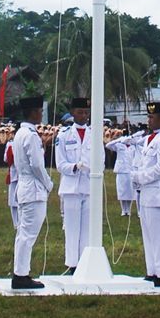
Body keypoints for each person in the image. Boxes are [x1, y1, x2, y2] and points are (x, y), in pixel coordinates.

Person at [11, 94, 53, 291]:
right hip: (33, 187)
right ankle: (21, 275)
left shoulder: (21, 133)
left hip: (24, 185)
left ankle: (21, 272)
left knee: (23, 233)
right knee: (28, 234)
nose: (41, 115)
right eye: (39, 111)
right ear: (34, 113)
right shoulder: (31, 135)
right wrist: (48, 183)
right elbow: (37, 165)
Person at [131, 99, 160, 287]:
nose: (149, 120)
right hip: (146, 194)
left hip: (157, 193)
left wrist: (141, 177)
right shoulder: (149, 139)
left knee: (159, 236)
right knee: (148, 234)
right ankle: (152, 271)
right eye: (148, 117)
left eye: (152, 117)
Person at [54, 97, 91, 274]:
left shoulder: (94, 134)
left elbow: (101, 160)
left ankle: (84, 263)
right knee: (72, 228)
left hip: (89, 186)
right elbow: (60, 164)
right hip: (71, 186)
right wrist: (75, 167)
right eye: (80, 112)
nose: (83, 115)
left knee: (86, 230)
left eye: (86, 112)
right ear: (73, 113)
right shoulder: (64, 135)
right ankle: (72, 264)